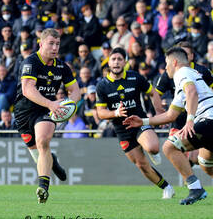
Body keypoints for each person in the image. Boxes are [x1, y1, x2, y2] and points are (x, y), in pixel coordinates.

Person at [124, 47, 213, 205]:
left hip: (208, 119)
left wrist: (190, 120)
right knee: (205, 163)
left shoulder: (182, 73)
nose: (165, 68)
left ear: (175, 62)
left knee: (169, 147)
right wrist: (143, 121)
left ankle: (195, 188)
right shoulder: (186, 80)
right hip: (208, 121)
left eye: (166, 64)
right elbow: (170, 115)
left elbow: (192, 92)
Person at [96, 47, 174, 199]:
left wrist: (159, 111)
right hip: (122, 130)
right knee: (141, 165)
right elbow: (100, 113)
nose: (116, 62)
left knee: (152, 147)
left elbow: (152, 93)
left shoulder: (135, 77)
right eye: (113, 59)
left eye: (119, 59)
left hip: (139, 122)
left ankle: (153, 151)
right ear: (109, 63)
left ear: (125, 62)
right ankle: (167, 188)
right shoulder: (102, 85)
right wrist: (115, 113)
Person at [13, 28, 81, 203]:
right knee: (37, 151)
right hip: (24, 112)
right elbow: (28, 89)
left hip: (46, 111)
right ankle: (54, 162)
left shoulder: (62, 67)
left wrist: (69, 106)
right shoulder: (31, 62)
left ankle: (43, 188)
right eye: (51, 43)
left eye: (57, 44)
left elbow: (75, 91)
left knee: (43, 141)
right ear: (41, 44)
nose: (55, 47)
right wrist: (51, 103)